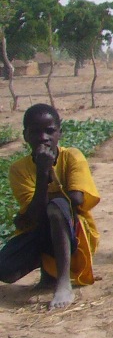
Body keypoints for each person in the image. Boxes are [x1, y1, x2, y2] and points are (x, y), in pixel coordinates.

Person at [0, 104, 101, 309]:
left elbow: (77, 200)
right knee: (6, 269)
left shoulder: (71, 156)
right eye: (35, 131)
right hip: (40, 230)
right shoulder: (18, 169)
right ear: (25, 136)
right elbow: (35, 215)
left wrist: (48, 175)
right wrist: (41, 173)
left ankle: (63, 282)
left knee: (56, 207)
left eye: (49, 131)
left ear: (59, 133)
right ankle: (48, 273)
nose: (43, 137)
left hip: (74, 233)